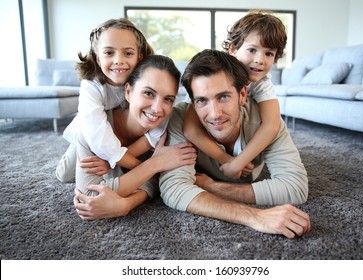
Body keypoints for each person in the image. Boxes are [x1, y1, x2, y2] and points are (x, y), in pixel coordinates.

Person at [74, 49, 311, 238]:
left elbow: (295, 187)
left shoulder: (268, 122)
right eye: (201, 101)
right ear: (191, 102)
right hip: (96, 141)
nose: (215, 113)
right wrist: (254, 217)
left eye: (224, 97)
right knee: (71, 165)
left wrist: (214, 187)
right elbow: (173, 189)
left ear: (242, 95)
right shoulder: (179, 118)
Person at [74, 55, 197, 214]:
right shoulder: (94, 129)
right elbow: (89, 196)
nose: (157, 109)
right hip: (80, 138)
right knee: (64, 173)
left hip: (124, 150)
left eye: (168, 99)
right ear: (128, 91)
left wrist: (126, 204)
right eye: (148, 93)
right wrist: (154, 164)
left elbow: (155, 182)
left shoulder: (164, 131)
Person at [183, 10, 286, 179]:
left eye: (269, 53)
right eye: (252, 50)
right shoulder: (209, 76)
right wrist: (227, 160)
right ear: (232, 48)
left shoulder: (262, 83)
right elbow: (190, 128)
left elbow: (272, 125)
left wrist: (238, 163)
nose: (260, 60)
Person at [56, 18, 154, 184]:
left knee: (115, 168)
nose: (118, 60)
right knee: (65, 175)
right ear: (98, 59)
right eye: (109, 53)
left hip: (123, 131)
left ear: (139, 57)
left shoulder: (144, 80)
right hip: (91, 129)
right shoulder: (91, 85)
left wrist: (116, 159)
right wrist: (139, 166)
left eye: (128, 53)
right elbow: (97, 134)